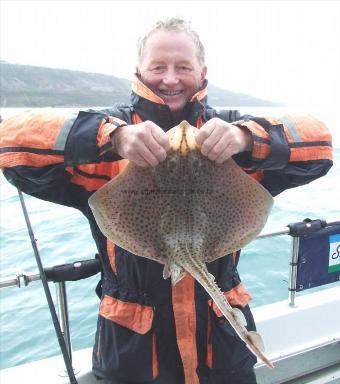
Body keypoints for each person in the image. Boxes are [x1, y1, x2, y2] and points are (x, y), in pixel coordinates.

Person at [0, 18, 333, 384]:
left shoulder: (233, 131)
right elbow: (9, 143)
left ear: (202, 72)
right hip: (133, 356)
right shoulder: (111, 135)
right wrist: (113, 138)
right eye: (158, 67)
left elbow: (321, 144)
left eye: (183, 67)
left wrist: (248, 139)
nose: (170, 79)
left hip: (220, 354)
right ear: (139, 70)